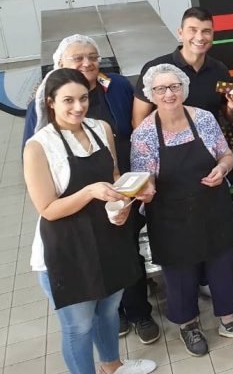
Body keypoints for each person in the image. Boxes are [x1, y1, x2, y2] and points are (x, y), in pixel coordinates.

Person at [21, 34, 160, 344]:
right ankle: (115, 316)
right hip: (72, 213)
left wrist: (131, 187)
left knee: (127, 255)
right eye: (78, 58)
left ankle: (138, 312)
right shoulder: (42, 121)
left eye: (93, 57)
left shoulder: (117, 88)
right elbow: (38, 177)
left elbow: (130, 133)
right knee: (83, 311)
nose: (87, 63)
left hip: (117, 193)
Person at [131, 64, 233, 356]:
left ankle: (230, 320)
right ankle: (189, 326)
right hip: (170, 215)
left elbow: (226, 155)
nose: (169, 94)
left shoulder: (203, 119)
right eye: (161, 89)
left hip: (212, 206)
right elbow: (142, 179)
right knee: (179, 272)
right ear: (151, 94)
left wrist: (221, 168)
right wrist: (147, 189)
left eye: (175, 86)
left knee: (223, 264)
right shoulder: (144, 135)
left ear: (184, 88)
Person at [132, 7, 233, 129]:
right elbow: (138, 121)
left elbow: (230, 118)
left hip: (209, 144)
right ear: (180, 33)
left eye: (206, 31)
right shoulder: (156, 69)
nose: (200, 37)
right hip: (168, 146)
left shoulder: (220, 70)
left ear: (213, 34)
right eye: (193, 30)